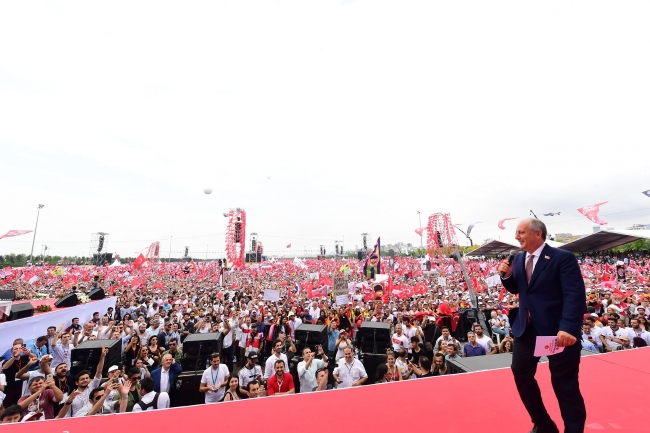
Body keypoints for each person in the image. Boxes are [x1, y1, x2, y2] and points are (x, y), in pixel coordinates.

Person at [499, 218, 586, 433]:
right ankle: (544, 424)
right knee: (520, 373)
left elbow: (574, 295)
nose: (516, 236)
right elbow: (518, 289)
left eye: (521, 232)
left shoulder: (562, 258)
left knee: (564, 385)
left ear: (538, 234)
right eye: (517, 232)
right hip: (527, 329)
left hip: (557, 332)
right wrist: (507, 275)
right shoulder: (519, 259)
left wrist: (568, 327)